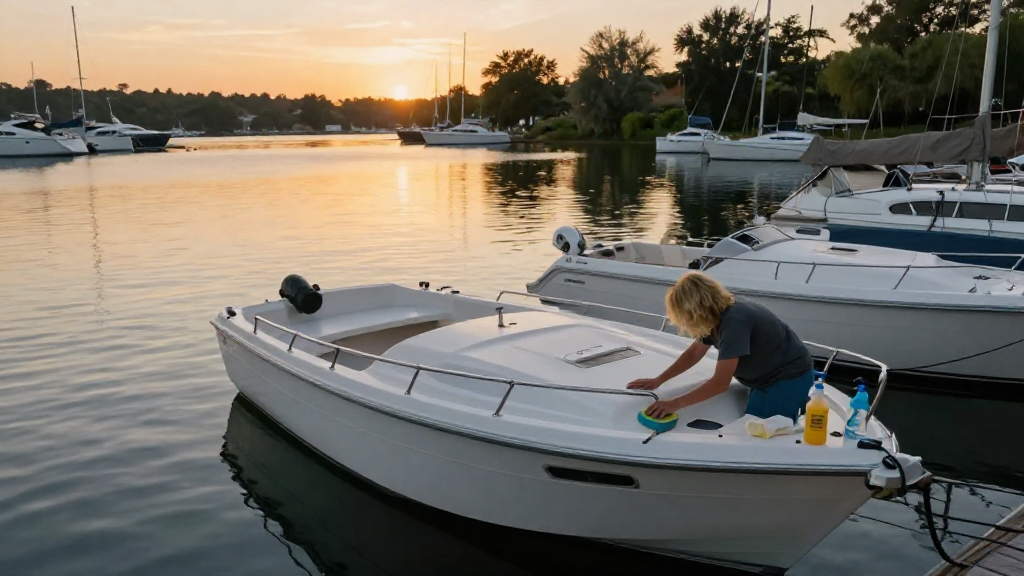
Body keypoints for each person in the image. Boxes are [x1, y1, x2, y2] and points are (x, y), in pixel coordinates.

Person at [628, 272, 812, 422]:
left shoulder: (734, 322)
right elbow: (694, 352)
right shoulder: (716, 314)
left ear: (695, 310)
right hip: (762, 380)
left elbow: (719, 383)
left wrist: (674, 404)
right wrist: (659, 379)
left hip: (788, 378)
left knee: (769, 432)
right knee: (752, 424)